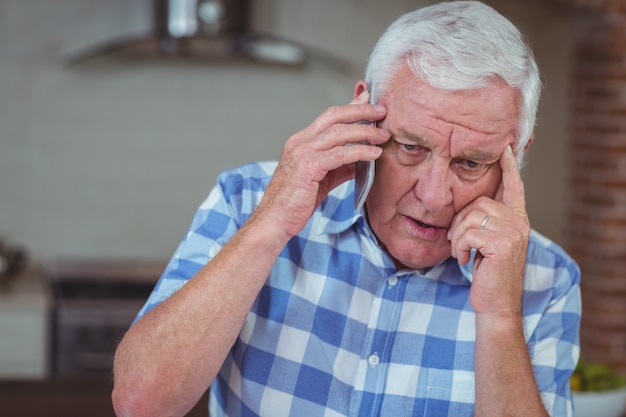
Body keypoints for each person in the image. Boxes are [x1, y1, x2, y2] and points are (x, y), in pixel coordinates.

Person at [112, 1, 581, 416]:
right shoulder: (247, 199)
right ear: (363, 113)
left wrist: (499, 317)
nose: (436, 196)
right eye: (411, 147)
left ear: (515, 156)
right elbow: (140, 404)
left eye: (471, 162)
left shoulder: (548, 279)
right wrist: (271, 226)